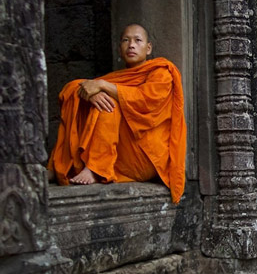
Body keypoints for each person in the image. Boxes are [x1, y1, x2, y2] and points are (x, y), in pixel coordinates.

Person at [47, 24, 186, 203]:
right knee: (78, 94)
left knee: (109, 103)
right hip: (120, 154)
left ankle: (96, 169)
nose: (131, 45)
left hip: (146, 155)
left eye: (138, 40)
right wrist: (92, 94)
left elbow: (144, 100)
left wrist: (103, 87)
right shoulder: (118, 77)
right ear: (119, 47)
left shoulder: (161, 73)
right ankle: (58, 164)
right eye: (125, 40)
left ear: (148, 47)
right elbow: (74, 88)